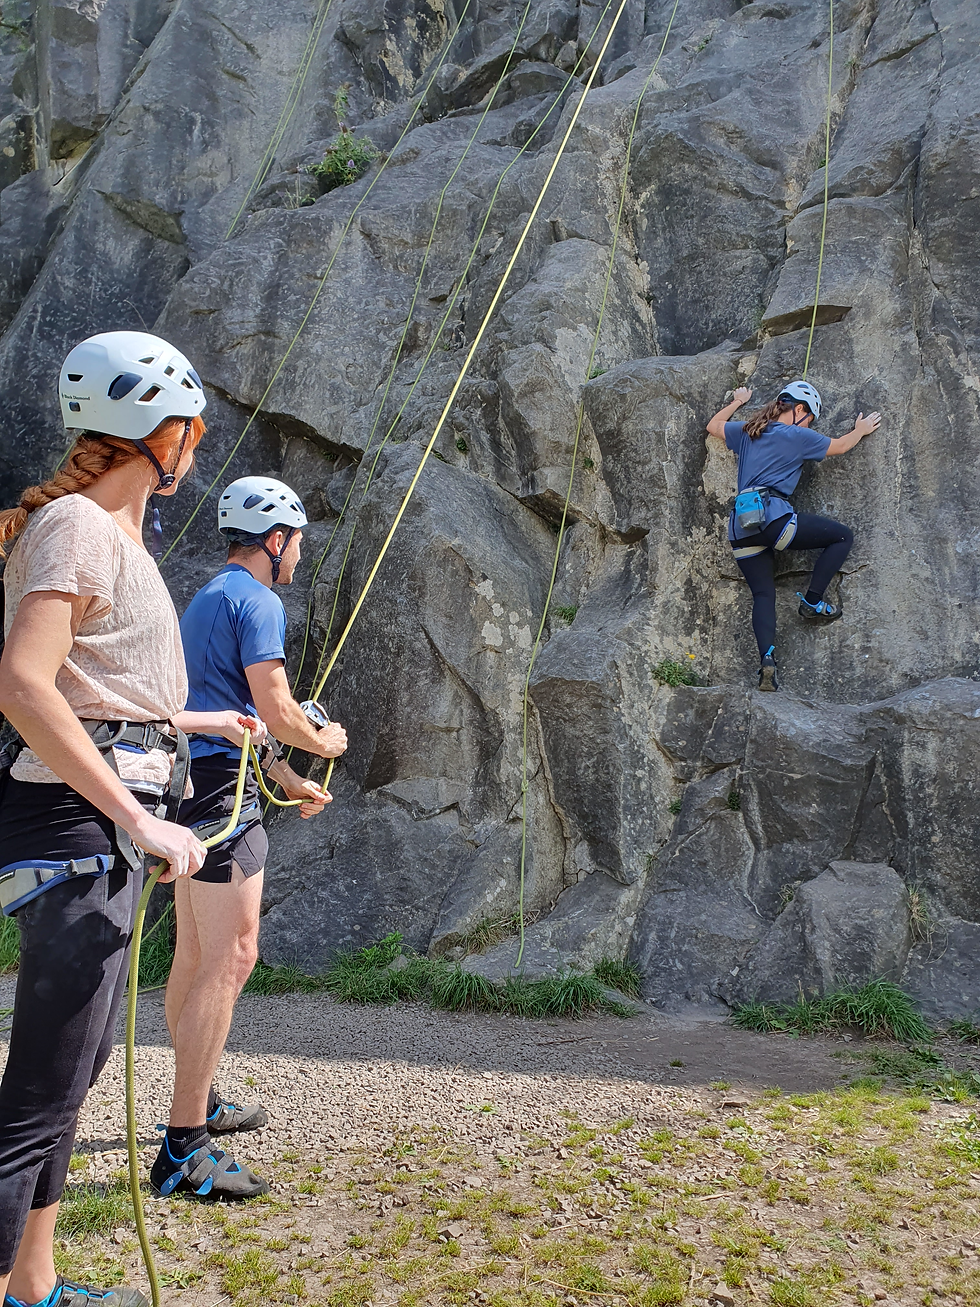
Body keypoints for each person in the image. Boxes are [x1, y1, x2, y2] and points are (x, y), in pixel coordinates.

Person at [0, 331, 263, 1307]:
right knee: (36, 1097)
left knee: (68, 1078)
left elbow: (94, 689)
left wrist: (196, 718)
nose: (196, 444)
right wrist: (139, 819)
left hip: (93, 825)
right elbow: (26, 685)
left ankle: (33, 1281)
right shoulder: (76, 525)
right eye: (192, 428)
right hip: (76, 825)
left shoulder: (112, 536)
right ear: (167, 430)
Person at [153, 476, 348, 1201]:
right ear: (275, 540)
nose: (299, 552)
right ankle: (183, 1145)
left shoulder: (209, 597)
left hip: (194, 782)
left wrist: (287, 774)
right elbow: (275, 704)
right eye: (295, 539)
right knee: (233, 955)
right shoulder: (260, 601)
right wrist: (322, 742)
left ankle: (194, 1102)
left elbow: (230, 710)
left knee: (197, 952)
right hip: (220, 795)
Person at [706, 380, 881, 691]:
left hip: (740, 526)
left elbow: (713, 426)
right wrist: (862, 429)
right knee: (841, 537)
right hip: (773, 518)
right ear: (800, 410)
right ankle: (812, 602)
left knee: (763, 594)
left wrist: (738, 400)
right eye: (810, 417)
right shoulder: (797, 434)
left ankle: (767, 663)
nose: (809, 423)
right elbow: (840, 446)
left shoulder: (749, 430)